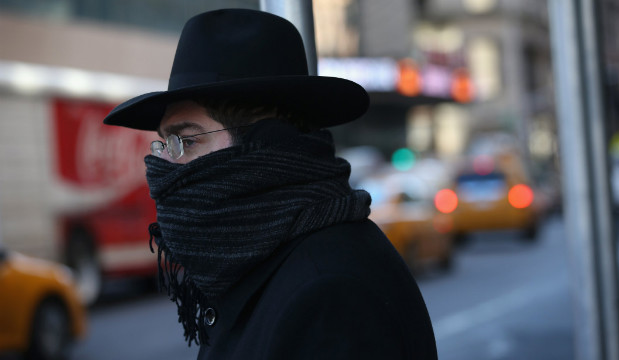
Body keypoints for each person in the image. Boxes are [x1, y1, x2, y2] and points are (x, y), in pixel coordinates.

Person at [103, 8, 438, 360]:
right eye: (164, 144)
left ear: (264, 148)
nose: (164, 165)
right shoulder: (262, 262)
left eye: (184, 141)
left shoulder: (330, 292)